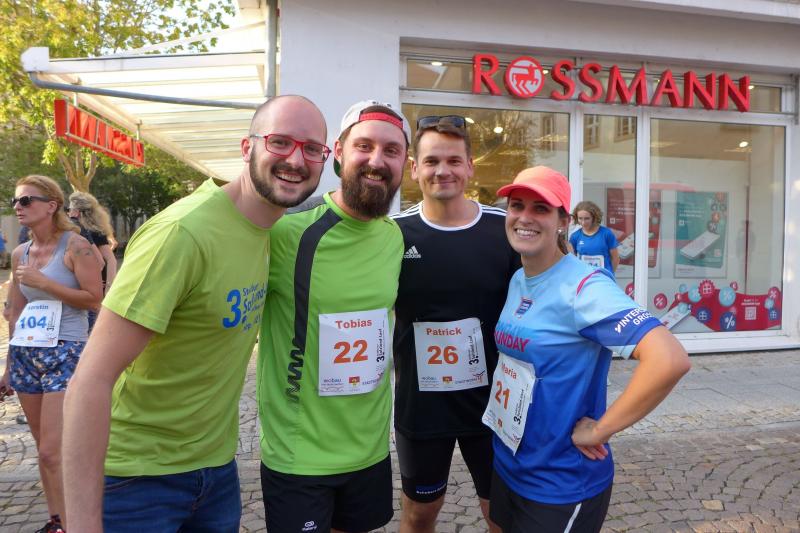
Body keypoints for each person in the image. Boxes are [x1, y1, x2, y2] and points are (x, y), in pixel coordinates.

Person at [61, 95, 328, 533]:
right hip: (138, 482)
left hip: (216, 474)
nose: (296, 160)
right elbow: (90, 380)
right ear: (247, 148)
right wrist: (83, 524)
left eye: (312, 149)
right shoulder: (182, 233)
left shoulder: (271, 231)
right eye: (280, 142)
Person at [485, 166, 691, 532]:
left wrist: (601, 430)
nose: (525, 217)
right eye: (517, 206)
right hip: (510, 463)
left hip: (559, 481)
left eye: (540, 208)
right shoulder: (519, 278)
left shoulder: (584, 287)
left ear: (563, 221)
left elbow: (668, 358)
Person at [257, 99, 409, 533]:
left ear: (405, 163)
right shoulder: (287, 231)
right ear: (338, 152)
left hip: (369, 451)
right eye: (364, 146)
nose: (376, 161)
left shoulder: (394, 237)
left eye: (391, 151)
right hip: (299, 456)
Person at [391, 115, 517, 533]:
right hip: (422, 406)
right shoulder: (393, 234)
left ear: (470, 168)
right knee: (420, 513)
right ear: (414, 169)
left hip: (494, 405)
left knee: (500, 515)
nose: (442, 170)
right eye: (431, 161)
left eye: (453, 160)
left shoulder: (503, 229)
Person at [1, 175, 103, 533]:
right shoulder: (20, 253)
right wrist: (8, 367)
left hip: (66, 351)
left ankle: (75, 522)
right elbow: (15, 310)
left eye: (27, 200)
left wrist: (45, 283)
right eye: (16, 201)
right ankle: (56, 520)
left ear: (51, 205)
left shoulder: (76, 246)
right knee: (43, 450)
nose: (19, 207)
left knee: (52, 450)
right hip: (27, 352)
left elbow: (95, 299)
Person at [68, 191, 118, 331]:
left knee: (90, 327)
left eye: (69, 209)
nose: (68, 213)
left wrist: (108, 289)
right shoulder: (92, 230)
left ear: (77, 212)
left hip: (92, 289)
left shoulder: (88, 231)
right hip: (92, 288)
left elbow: (109, 260)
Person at [569, 200, 620, 276]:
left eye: (587, 218)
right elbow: (572, 260)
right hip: (584, 277)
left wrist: (609, 274)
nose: (583, 222)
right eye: (580, 218)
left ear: (594, 217)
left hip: (603, 278)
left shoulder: (606, 234)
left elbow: (615, 258)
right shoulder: (575, 236)